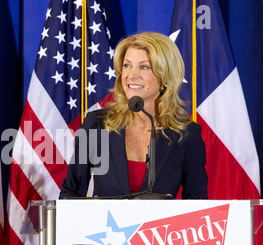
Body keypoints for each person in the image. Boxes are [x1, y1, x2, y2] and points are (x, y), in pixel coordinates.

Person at [59, 32, 208, 200]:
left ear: (166, 76)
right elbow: (69, 194)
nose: (131, 75)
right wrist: (93, 208)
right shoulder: (97, 124)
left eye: (144, 67)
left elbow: (197, 204)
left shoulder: (186, 134)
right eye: (127, 65)